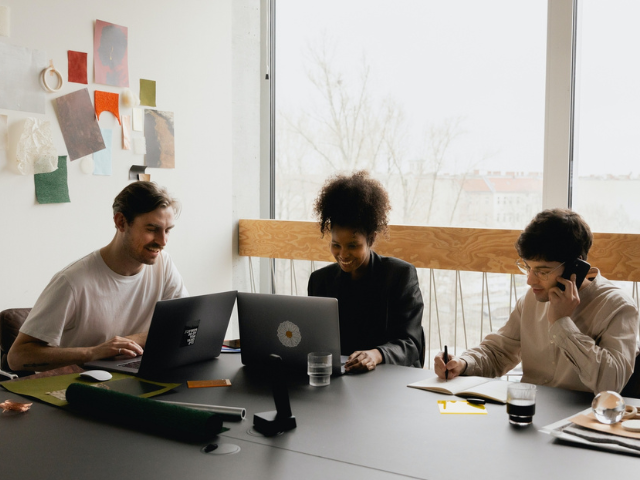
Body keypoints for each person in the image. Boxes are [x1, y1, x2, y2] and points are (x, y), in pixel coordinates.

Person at [434, 208, 639, 394]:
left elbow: (612, 383)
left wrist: (562, 324)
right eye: (528, 268)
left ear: (575, 267)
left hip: (583, 421)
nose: (530, 280)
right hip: (529, 410)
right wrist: (462, 363)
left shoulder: (618, 307)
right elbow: (499, 352)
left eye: (542, 271)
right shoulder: (532, 299)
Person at [8, 181, 188, 372]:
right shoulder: (72, 282)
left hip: (132, 374)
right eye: (152, 229)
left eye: (168, 230)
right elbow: (17, 357)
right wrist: (93, 353)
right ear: (120, 222)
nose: (163, 241)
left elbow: (183, 326)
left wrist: (130, 341)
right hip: (79, 386)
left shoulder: (164, 264)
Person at [308, 171, 424, 373]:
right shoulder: (320, 281)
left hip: (388, 380)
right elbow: (316, 341)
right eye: (336, 245)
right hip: (342, 379)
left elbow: (412, 343)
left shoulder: (399, 276)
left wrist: (377, 354)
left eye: (353, 245)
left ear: (371, 239)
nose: (343, 254)